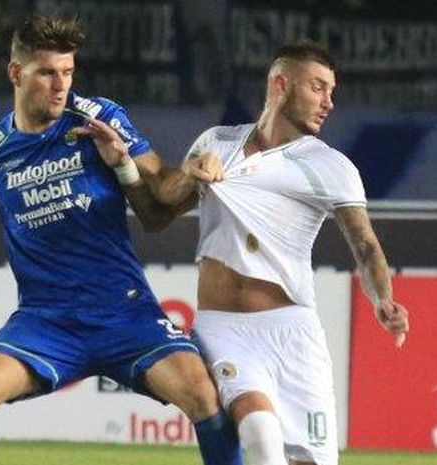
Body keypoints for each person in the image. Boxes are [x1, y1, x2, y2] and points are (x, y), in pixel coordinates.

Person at [0, 14, 241, 465]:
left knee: (203, 395)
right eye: (47, 72)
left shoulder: (98, 118)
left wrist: (193, 171)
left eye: (67, 72)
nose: (60, 84)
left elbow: (160, 185)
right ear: (16, 73)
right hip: (47, 321)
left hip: (125, 314)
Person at [124, 40, 410, 465]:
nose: (328, 102)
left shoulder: (330, 165)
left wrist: (382, 297)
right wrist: (159, 169)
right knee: (259, 432)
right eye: (318, 87)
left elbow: (365, 245)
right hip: (224, 328)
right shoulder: (216, 143)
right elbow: (156, 212)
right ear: (281, 84)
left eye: (332, 91)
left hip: (293, 332)